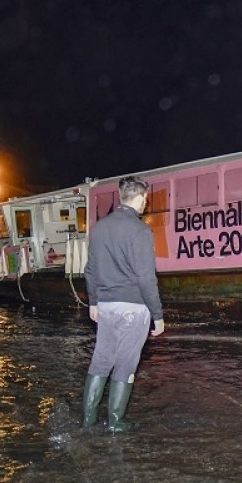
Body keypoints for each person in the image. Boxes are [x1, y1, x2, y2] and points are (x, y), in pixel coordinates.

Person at [81, 175, 164, 432]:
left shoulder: (100, 228)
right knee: (126, 364)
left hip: (106, 305)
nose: (145, 204)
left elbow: (90, 271)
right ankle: (115, 423)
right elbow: (145, 278)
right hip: (133, 308)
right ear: (139, 198)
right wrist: (157, 314)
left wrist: (93, 302)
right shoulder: (140, 230)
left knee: (101, 360)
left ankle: (88, 421)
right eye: (145, 199)